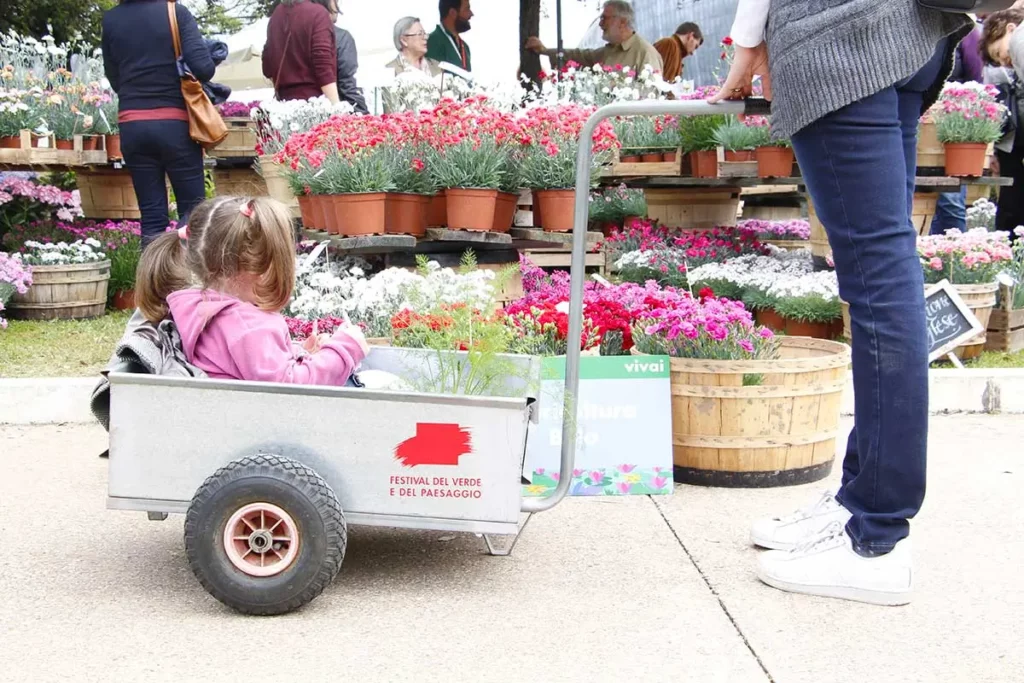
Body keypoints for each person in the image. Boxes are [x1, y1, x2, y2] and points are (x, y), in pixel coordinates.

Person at [710, 0, 972, 606]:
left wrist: (748, 41)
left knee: (879, 278)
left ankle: (875, 539)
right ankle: (859, 499)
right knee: (884, 268)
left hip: (842, 37)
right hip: (907, 36)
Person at [136, 196, 369, 385]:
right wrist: (345, 349)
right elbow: (291, 390)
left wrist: (297, 352)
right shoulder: (248, 326)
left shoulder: (199, 309)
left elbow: (245, 364)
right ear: (257, 266)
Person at [101, 0, 215, 250]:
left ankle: (152, 286)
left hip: (133, 124)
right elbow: (203, 68)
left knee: (152, 217)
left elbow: (114, 77)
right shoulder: (175, 12)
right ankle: (189, 283)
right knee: (192, 214)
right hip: (174, 125)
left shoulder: (111, 19)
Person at [930, 17, 985, 235]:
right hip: (916, 121)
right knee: (919, 203)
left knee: (950, 201)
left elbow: (976, 79)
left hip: (953, 124)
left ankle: (955, 260)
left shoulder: (965, 30)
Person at [526, 1, 663, 75]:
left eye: (605, 18)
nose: (600, 23)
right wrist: (544, 51)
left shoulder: (645, 52)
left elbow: (650, 99)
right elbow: (577, 55)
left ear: (622, 22)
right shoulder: (608, 51)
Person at [981, 9, 1024, 235]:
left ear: (1010, 29)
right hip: (1011, 145)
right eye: (997, 60)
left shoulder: (1020, 43)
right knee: (1010, 204)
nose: (1003, 61)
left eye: (999, 51)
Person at [262, 0, 340, 103]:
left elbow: (267, 68)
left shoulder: (276, 15)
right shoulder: (318, 14)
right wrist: (337, 108)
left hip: (283, 107)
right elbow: (323, 69)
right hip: (316, 106)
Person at [322, 0, 368, 113]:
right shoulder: (341, 38)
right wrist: (364, 116)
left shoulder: (293, 34)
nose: (338, 6)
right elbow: (347, 86)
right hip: (333, 113)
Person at [426, 0, 473, 73]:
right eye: (467, 9)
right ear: (452, 13)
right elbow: (433, 80)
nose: (471, 14)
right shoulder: (432, 41)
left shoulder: (465, 48)